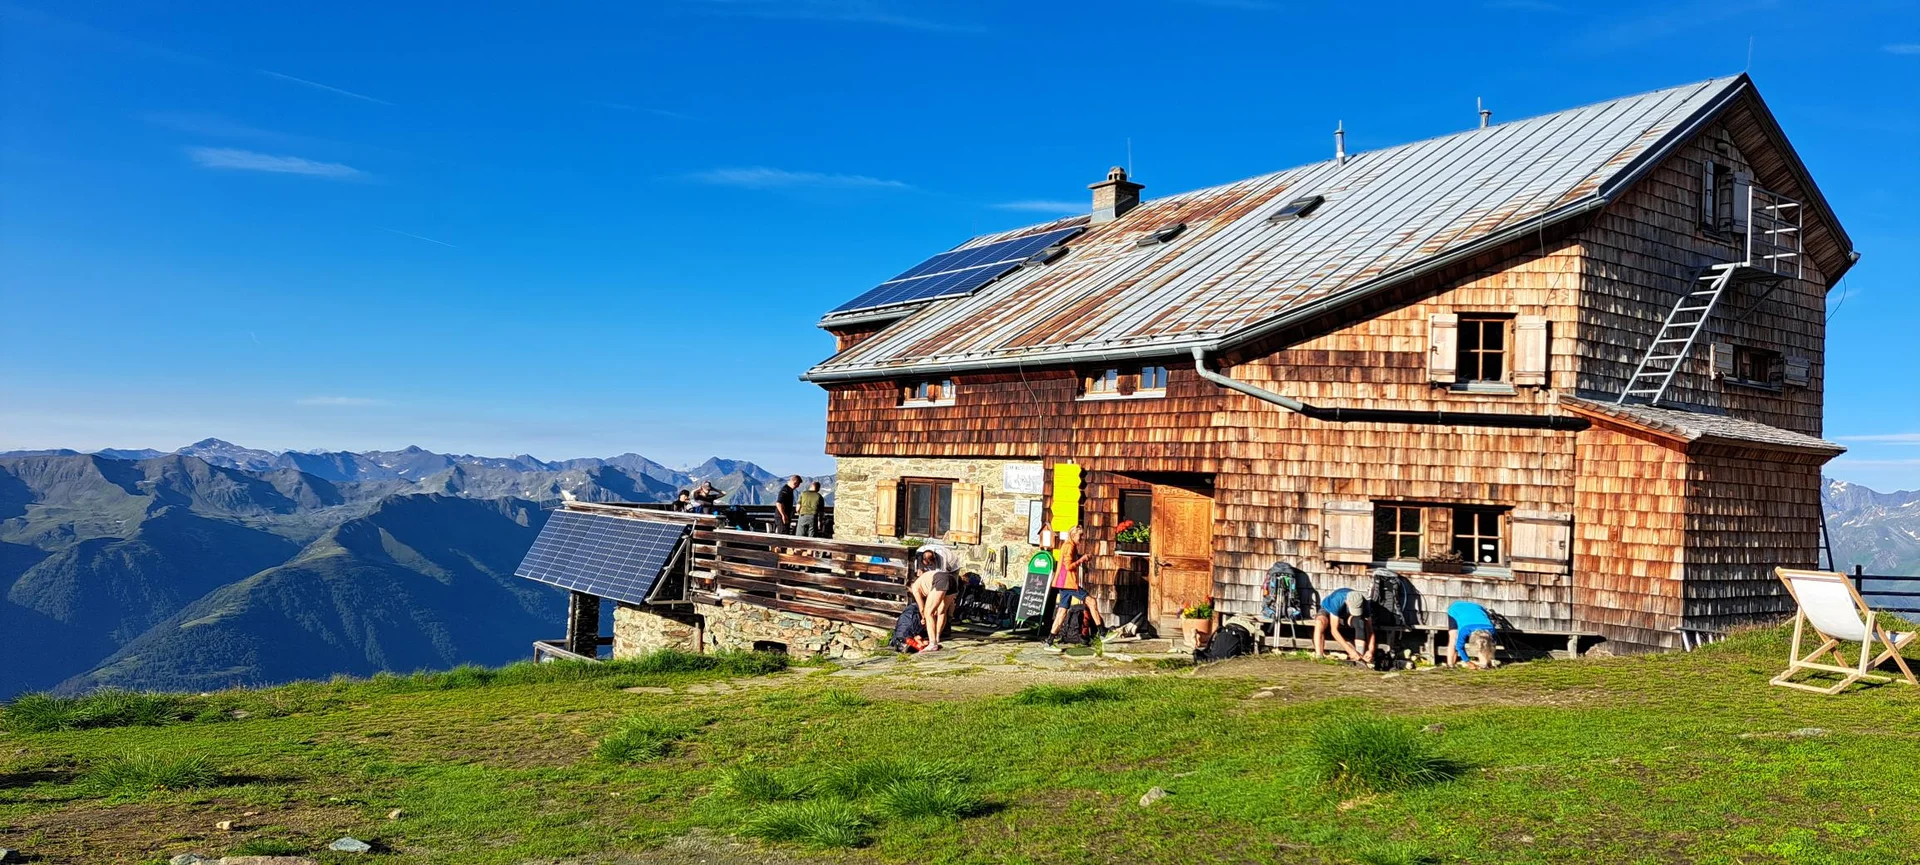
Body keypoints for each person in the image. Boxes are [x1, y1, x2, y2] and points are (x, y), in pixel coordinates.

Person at [1043, 526, 1102, 650]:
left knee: (1062, 612)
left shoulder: (1069, 545)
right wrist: (1081, 560)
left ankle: (1049, 641)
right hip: (1068, 583)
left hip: (1062, 583)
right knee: (1091, 601)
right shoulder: (1069, 546)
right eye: (1080, 535)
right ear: (1073, 535)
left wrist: (1082, 558)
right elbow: (1068, 566)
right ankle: (1103, 633)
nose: (1082, 538)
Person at [1313, 581, 1377, 666]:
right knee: (1320, 622)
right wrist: (1349, 650)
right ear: (1347, 602)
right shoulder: (1337, 600)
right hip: (1329, 611)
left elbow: (1370, 631)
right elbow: (1334, 630)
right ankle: (1319, 655)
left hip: (1347, 616)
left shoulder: (1364, 603)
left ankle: (1360, 658)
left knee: (1360, 623)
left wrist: (1371, 650)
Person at [909, 544, 959, 653]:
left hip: (942, 578)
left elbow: (922, 608)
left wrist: (923, 617)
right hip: (952, 580)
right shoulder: (923, 577)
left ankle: (932, 644)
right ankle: (937, 638)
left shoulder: (915, 587)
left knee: (929, 612)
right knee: (942, 611)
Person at [1446, 600, 1498, 669]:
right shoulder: (1465, 630)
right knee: (1453, 639)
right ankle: (1450, 665)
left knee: (1483, 645)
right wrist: (1468, 662)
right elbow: (1459, 647)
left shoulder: (1491, 629)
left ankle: (1483, 665)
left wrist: (1489, 661)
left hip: (1477, 608)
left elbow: (1492, 645)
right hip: (1456, 608)